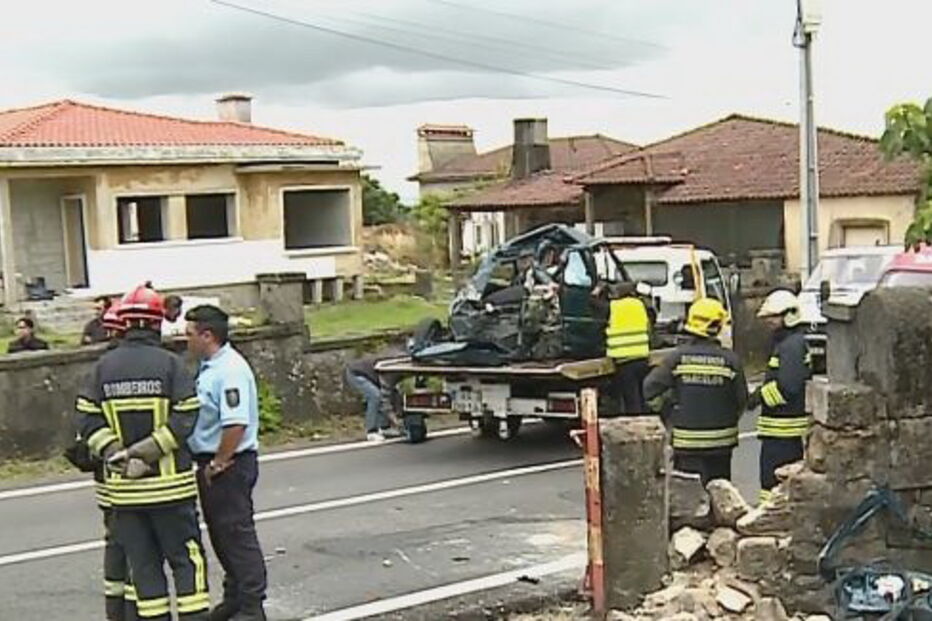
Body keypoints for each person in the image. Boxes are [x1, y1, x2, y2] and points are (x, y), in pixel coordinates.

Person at [77, 285, 210, 621]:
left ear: (123, 324)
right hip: (171, 491)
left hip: (124, 494)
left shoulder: (101, 369)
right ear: (157, 323)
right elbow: (186, 417)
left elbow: (87, 422)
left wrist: (117, 452)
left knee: (144, 569)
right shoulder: (172, 365)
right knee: (187, 562)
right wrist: (146, 452)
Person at [185, 305, 267, 621]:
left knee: (236, 535)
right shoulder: (211, 367)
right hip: (213, 460)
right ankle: (234, 599)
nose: (185, 341)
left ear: (208, 335)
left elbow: (236, 424)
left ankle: (251, 606)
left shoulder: (230, 370)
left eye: (190, 334)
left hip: (229, 463)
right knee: (222, 535)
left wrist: (219, 462)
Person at [644, 298, 747, 485]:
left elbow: (650, 389)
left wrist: (667, 411)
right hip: (721, 446)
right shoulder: (731, 361)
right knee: (720, 497)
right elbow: (741, 400)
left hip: (686, 445)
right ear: (715, 327)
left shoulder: (677, 358)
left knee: (689, 500)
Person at [751, 289, 812, 504]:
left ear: (789, 315)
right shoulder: (788, 343)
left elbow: (788, 387)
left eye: (773, 317)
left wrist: (759, 397)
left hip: (784, 434)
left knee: (773, 484)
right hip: (780, 433)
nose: (768, 322)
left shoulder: (791, 346)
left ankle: (771, 521)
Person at [605, 282, 651, 413]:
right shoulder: (639, 304)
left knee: (631, 398)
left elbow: (595, 308)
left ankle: (636, 425)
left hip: (624, 360)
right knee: (641, 395)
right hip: (641, 356)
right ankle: (645, 419)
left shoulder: (613, 307)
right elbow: (648, 327)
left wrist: (596, 293)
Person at [345, 352, 403, 442]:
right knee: (375, 396)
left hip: (372, 374)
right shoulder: (390, 370)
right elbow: (385, 397)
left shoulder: (402, 364)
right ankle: (371, 431)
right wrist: (394, 420)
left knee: (393, 393)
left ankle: (384, 428)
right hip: (356, 373)